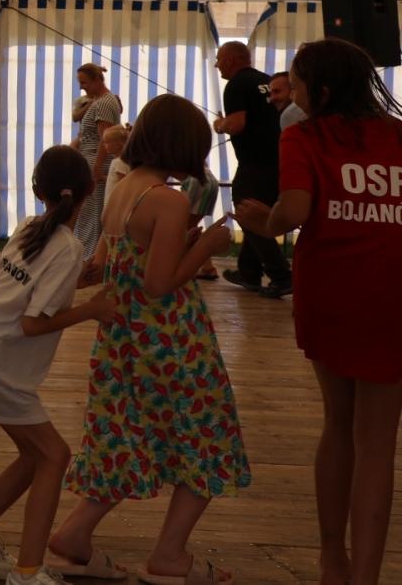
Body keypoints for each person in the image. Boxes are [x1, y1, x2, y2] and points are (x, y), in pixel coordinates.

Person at [51, 94, 248, 585]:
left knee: (125, 437)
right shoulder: (168, 198)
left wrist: (180, 240)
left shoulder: (124, 186)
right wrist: (206, 245)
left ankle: (74, 534)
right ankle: (169, 555)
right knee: (206, 437)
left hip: (123, 338)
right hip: (170, 341)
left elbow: (124, 263)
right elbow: (159, 284)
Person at [234, 39, 402, 585]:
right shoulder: (399, 135)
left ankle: (333, 556)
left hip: (332, 290)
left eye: (298, 83)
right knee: (378, 444)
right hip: (393, 295)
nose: (291, 93)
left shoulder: (302, 135)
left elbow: (294, 213)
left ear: (321, 90)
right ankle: (367, 576)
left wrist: (263, 219)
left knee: (337, 422)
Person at [0, 146, 117, 585]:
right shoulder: (68, 246)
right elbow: (35, 322)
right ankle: (29, 570)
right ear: (90, 191)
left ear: (39, 191)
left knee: (34, 455)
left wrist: (87, 279)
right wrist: (93, 310)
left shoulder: (31, 227)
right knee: (55, 455)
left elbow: (35, 287)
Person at [213, 40, 292, 299]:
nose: (216, 64)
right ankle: (248, 271)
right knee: (256, 213)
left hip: (254, 162)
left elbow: (236, 124)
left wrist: (219, 124)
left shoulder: (235, 84)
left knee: (246, 210)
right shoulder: (268, 80)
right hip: (279, 159)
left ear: (233, 60)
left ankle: (281, 275)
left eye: (219, 59)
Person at [70, 64, 121, 260]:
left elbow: (105, 139)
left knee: (92, 214)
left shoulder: (104, 103)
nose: (82, 87)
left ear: (98, 80)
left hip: (96, 164)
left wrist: (97, 169)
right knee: (88, 212)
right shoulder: (101, 101)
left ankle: (90, 258)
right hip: (90, 161)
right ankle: (88, 256)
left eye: (85, 83)